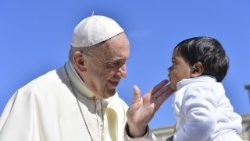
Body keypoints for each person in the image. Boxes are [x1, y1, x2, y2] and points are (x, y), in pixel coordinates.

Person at [0, 15, 172, 141]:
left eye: (125, 62)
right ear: (81, 61)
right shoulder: (34, 97)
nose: (124, 73)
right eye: (115, 64)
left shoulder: (119, 107)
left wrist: (137, 131)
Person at [166, 36, 243, 141]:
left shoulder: (196, 88)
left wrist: (175, 139)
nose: (169, 68)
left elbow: (202, 122)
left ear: (196, 70)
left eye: (174, 63)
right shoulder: (207, 87)